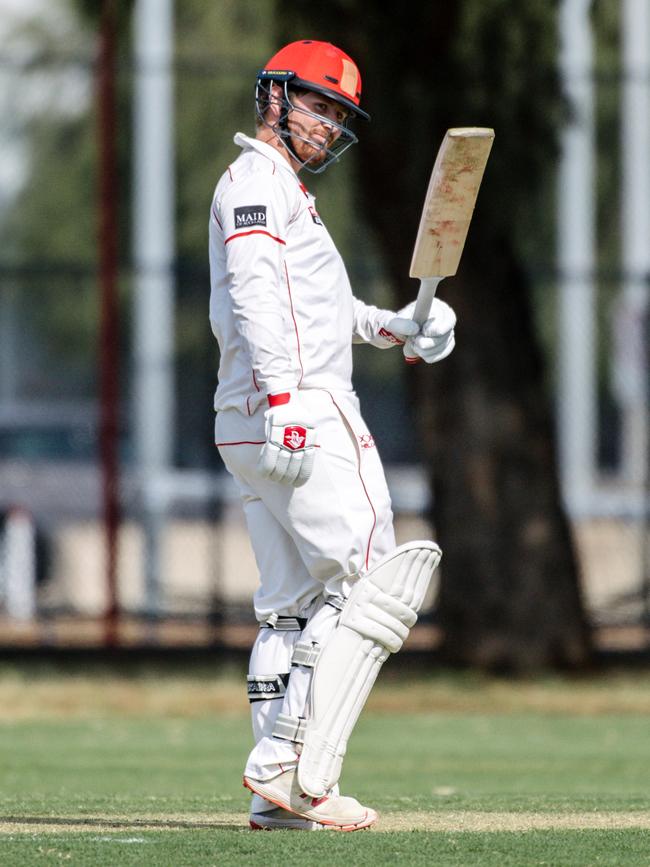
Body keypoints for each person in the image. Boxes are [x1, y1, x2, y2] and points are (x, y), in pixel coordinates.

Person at [208, 39, 456, 831]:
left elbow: (311, 308)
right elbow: (256, 295)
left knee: (289, 606)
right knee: (370, 584)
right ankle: (290, 761)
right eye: (316, 103)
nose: (326, 124)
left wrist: (395, 325)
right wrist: (286, 396)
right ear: (274, 97)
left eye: (337, 113)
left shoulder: (281, 193)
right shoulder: (256, 183)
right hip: (298, 409)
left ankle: (275, 797)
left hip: (250, 419)